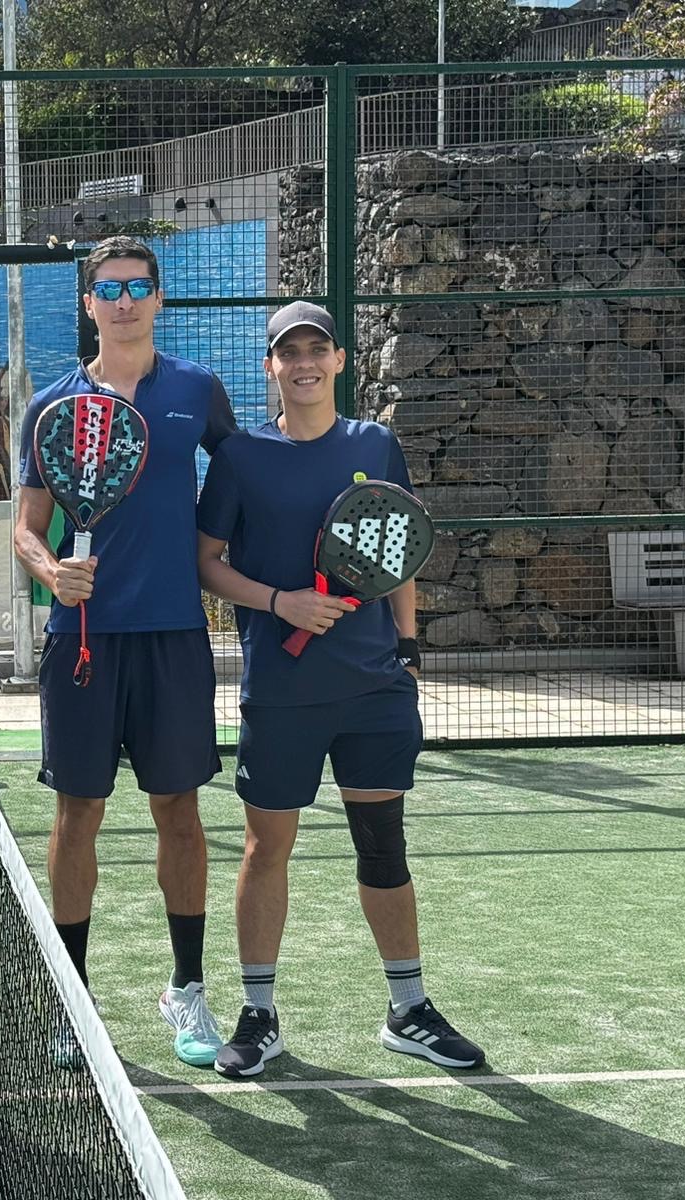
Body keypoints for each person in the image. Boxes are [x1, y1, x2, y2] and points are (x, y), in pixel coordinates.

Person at [195, 301, 485, 1078]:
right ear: (270, 367)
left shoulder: (375, 445)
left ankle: (409, 1010)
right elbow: (206, 561)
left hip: (373, 691)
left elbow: (398, 545)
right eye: (288, 352)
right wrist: (279, 602)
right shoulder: (241, 457)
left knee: (383, 844)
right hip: (282, 690)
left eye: (315, 349)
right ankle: (259, 1016)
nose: (303, 364)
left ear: (339, 360)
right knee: (267, 848)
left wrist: (408, 648)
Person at [13, 237, 238, 1068]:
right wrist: (52, 573)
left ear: (159, 298)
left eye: (138, 287)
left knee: (179, 810)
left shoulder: (196, 391)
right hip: (82, 641)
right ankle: (72, 1000)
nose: (124, 301)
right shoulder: (54, 406)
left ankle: (187, 988)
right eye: (108, 290)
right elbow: (26, 527)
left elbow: (241, 479)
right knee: (78, 814)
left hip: (174, 636)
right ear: (89, 305)